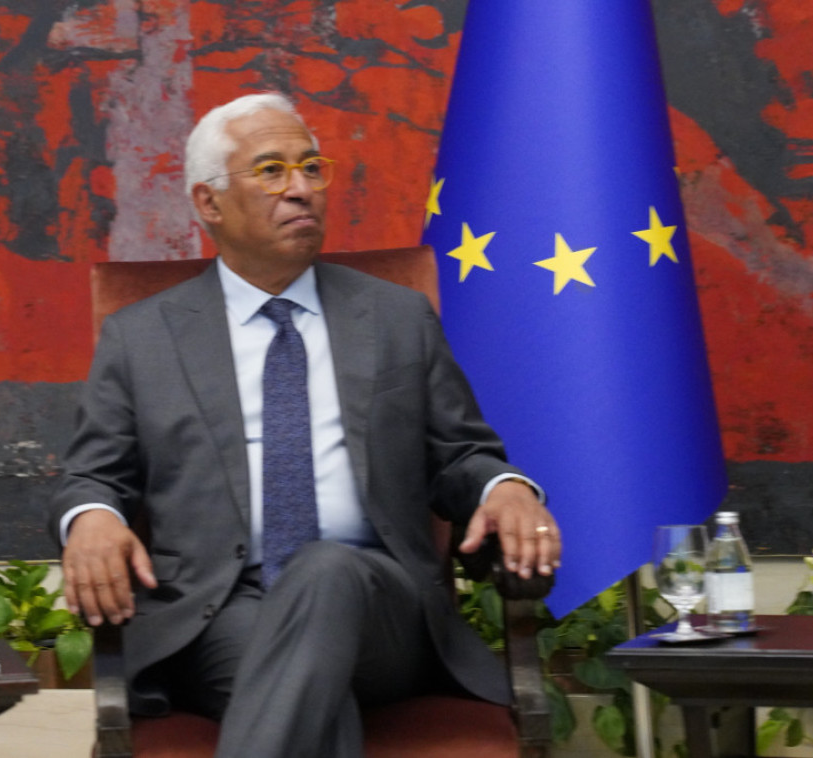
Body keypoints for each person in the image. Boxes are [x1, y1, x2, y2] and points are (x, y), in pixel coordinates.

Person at [48, 91, 561, 758]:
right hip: (221, 612)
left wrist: (505, 488)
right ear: (208, 202)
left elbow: (461, 454)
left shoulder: (396, 317)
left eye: (312, 168)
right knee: (307, 693)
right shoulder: (142, 338)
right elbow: (93, 475)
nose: (301, 189)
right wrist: (92, 518)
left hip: (381, 608)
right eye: (272, 171)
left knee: (325, 570)